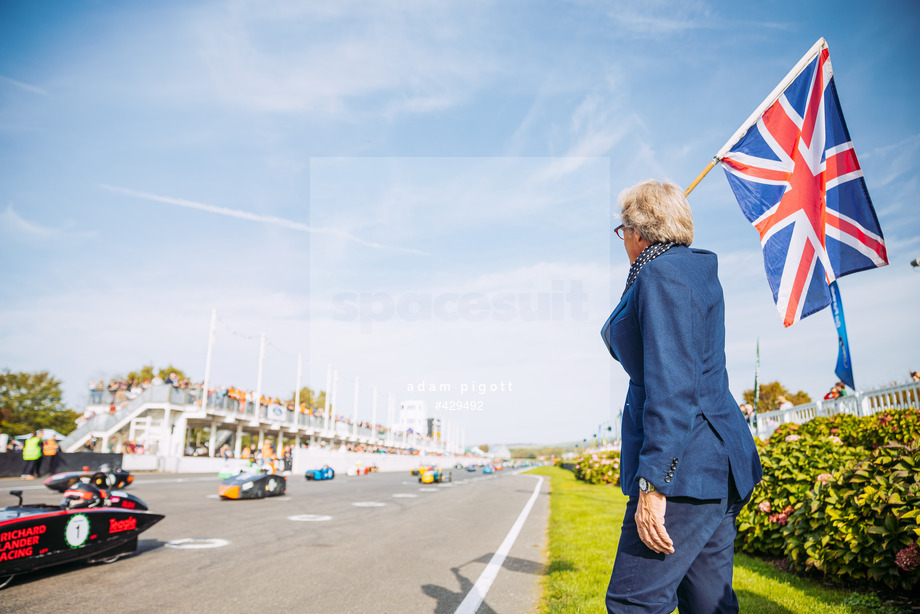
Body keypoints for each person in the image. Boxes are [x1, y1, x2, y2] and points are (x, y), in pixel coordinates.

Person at [600, 180, 763, 613]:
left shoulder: (662, 273)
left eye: (623, 230)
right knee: (708, 603)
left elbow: (674, 387)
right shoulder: (684, 270)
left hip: (687, 467)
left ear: (637, 230)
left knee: (634, 601)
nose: (623, 241)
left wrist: (654, 483)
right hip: (714, 465)